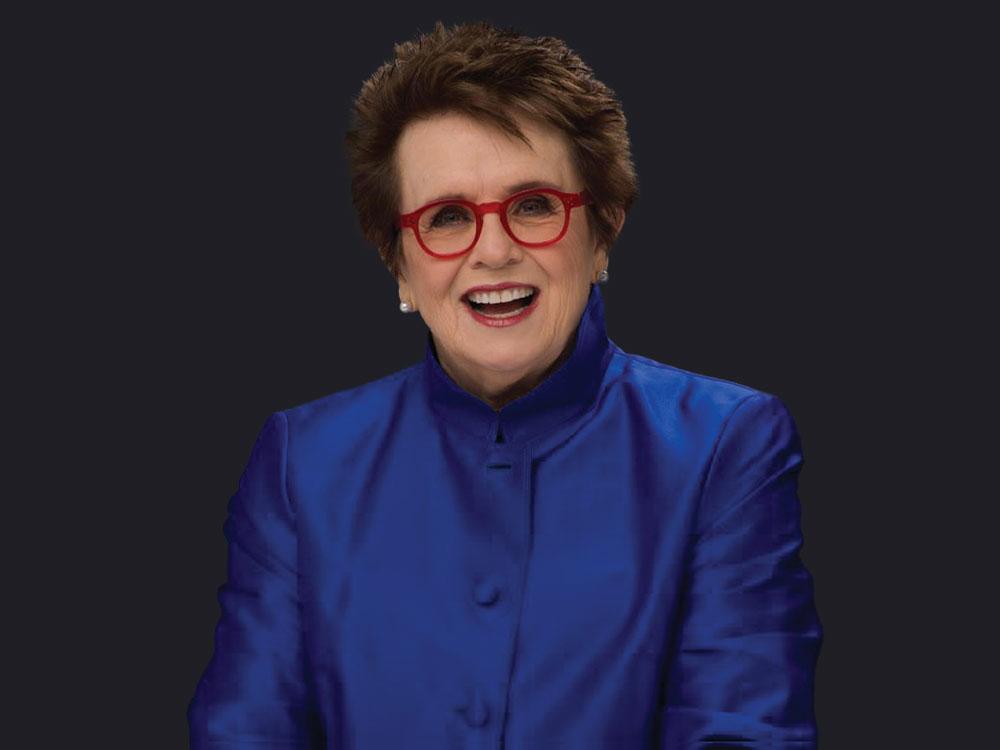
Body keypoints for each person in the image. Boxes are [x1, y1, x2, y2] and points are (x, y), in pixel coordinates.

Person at [188, 19, 822, 748]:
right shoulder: (301, 462)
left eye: (533, 206)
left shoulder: (724, 445)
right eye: (447, 218)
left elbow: (743, 732)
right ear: (398, 264)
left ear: (603, 231)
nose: (494, 250)